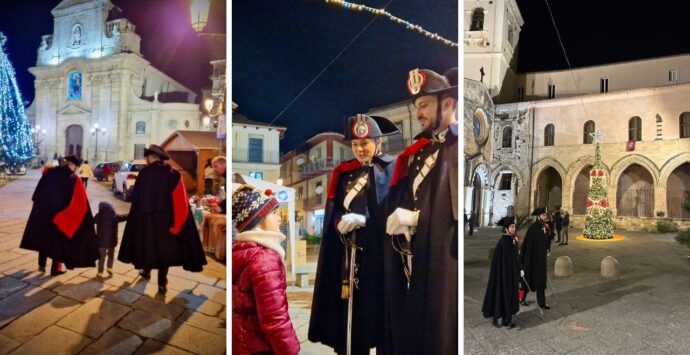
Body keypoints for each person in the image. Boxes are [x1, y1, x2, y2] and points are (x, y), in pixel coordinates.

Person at [309, 114, 399, 354]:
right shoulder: (344, 172)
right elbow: (336, 208)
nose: (360, 149)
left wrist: (366, 220)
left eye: (365, 143)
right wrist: (338, 220)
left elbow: (393, 213)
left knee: (373, 318)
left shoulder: (391, 169)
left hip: (376, 259)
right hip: (346, 257)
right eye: (355, 144)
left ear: (378, 143)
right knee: (347, 321)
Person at [384, 68, 458, 355]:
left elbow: (453, 214)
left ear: (448, 104)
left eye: (424, 105)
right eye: (416, 107)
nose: (418, 113)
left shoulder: (456, 146)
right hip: (414, 259)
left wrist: (417, 219)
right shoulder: (417, 153)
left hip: (441, 264)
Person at [118, 145, 207, 294]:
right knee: (163, 251)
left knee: (147, 246)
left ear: (150, 157)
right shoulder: (174, 174)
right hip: (166, 222)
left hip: (146, 221)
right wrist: (178, 225)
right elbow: (180, 201)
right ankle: (162, 283)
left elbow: (136, 199)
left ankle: (146, 271)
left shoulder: (144, 173)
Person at [232, 185, 300, 355]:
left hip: (241, 340)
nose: (279, 219)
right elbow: (275, 319)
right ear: (258, 221)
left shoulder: (242, 250)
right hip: (259, 346)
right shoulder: (265, 259)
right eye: (274, 213)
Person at [20, 155, 99, 275]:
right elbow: (81, 204)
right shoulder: (74, 179)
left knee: (44, 239)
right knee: (57, 243)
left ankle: (41, 265)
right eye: (76, 167)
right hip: (59, 217)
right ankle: (55, 269)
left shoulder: (50, 172)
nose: (76, 169)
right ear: (72, 166)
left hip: (44, 214)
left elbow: (37, 193)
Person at [482, 216, 521, 328]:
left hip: (509, 274)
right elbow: (507, 261)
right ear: (506, 228)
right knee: (505, 296)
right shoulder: (505, 242)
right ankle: (505, 319)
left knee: (506, 296)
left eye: (514, 226)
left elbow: (514, 258)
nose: (514, 229)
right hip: (505, 275)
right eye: (512, 227)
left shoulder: (510, 240)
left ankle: (505, 319)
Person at [520, 207, 550, 309]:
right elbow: (528, 245)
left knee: (540, 281)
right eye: (543, 215)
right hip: (532, 260)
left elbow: (544, 242)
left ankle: (541, 303)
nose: (545, 217)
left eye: (545, 215)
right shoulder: (533, 228)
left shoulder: (543, 227)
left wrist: (547, 249)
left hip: (541, 261)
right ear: (538, 217)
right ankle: (521, 299)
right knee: (527, 280)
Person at [94, 202, 128, 278]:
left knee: (101, 257)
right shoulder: (115, 217)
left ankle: (100, 271)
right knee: (111, 255)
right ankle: (110, 268)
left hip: (101, 242)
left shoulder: (98, 216)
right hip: (111, 242)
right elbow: (125, 216)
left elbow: (91, 221)